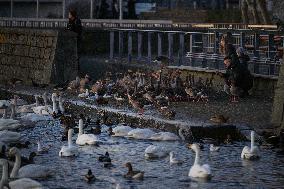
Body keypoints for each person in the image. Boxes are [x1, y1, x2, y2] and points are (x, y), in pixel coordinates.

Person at [67, 9, 82, 74]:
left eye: (69, 14)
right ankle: (71, 69)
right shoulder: (69, 21)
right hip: (70, 41)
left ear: (72, 15)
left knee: (76, 56)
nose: (68, 15)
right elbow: (67, 29)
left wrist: (72, 30)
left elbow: (78, 31)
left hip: (76, 41)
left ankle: (77, 70)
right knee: (70, 56)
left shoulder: (77, 21)